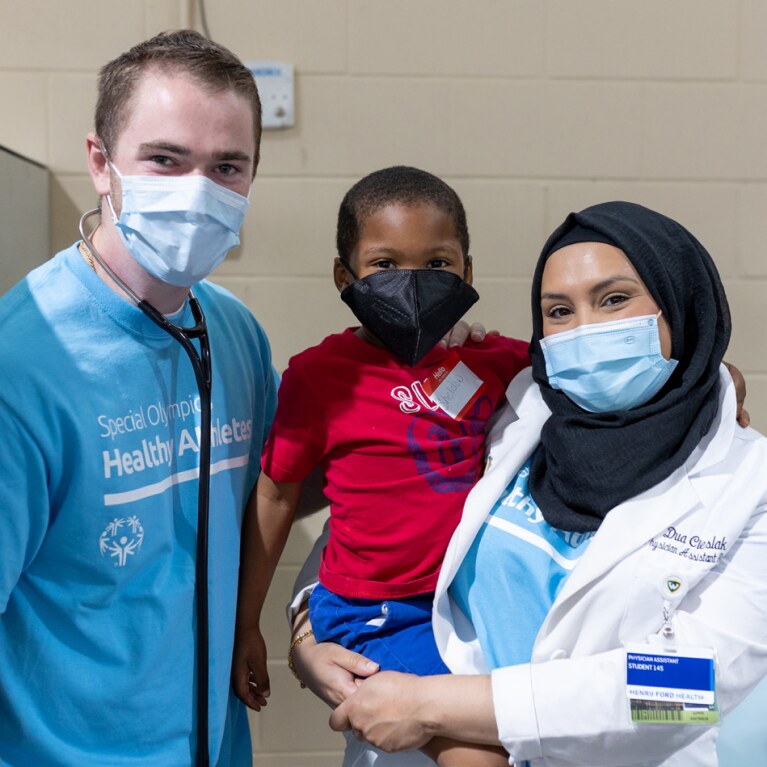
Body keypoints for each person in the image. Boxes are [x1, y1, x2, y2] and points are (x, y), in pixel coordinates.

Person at [296, 201, 767, 766]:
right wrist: (309, 636)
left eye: (614, 299)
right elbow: (378, 514)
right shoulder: (519, 410)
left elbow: (691, 686)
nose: (585, 329)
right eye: (559, 310)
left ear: (681, 304)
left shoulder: (748, 485)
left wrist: (437, 705)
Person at [0, 30, 279, 766]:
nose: (197, 190)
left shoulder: (234, 332)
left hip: (214, 744)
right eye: (164, 159)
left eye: (227, 166)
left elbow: (278, 493)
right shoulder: (21, 366)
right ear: (101, 163)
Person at [232, 166, 530, 766]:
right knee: (479, 754)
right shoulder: (319, 377)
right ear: (345, 277)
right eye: (385, 264)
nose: (414, 282)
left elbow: (588, 376)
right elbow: (275, 497)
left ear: (468, 274)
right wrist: (247, 624)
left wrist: (711, 379)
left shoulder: (496, 362)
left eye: (439, 264)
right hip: (375, 611)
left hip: (460, 605)